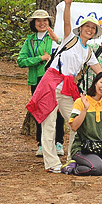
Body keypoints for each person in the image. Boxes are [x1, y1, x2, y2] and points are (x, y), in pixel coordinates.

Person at [27, 0, 102, 173]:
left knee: (77, 122)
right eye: (87, 27)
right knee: (49, 124)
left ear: (94, 33)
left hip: (68, 88)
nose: (90, 30)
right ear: (82, 29)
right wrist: (68, 4)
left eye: (93, 29)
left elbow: (101, 73)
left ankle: (72, 158)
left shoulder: (89, 52)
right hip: (51, 83)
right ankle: (52, 163)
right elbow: (67, 21)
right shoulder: (71, 38)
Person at [18, 9, 63, 157]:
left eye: (45, 20)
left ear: (49, 23)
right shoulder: (29, 40)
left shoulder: (54, 38)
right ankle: (42, 144)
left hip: (55, 78)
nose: (42, 23)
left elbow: (66, 49)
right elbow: (21, 61)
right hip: (37, 80)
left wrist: (57, 40)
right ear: (34, 23)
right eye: (38, 20)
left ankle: (58, 142)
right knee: (40, 110)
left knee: (57, 109)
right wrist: (40, 58)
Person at [62, 71, 102, 175]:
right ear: (95, 82)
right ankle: (73, 167)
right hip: (83, 148)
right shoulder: (81, 101)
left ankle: (95, 162)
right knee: (97, 168)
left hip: (100, 148)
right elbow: (74, 127)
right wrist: (85, 110)